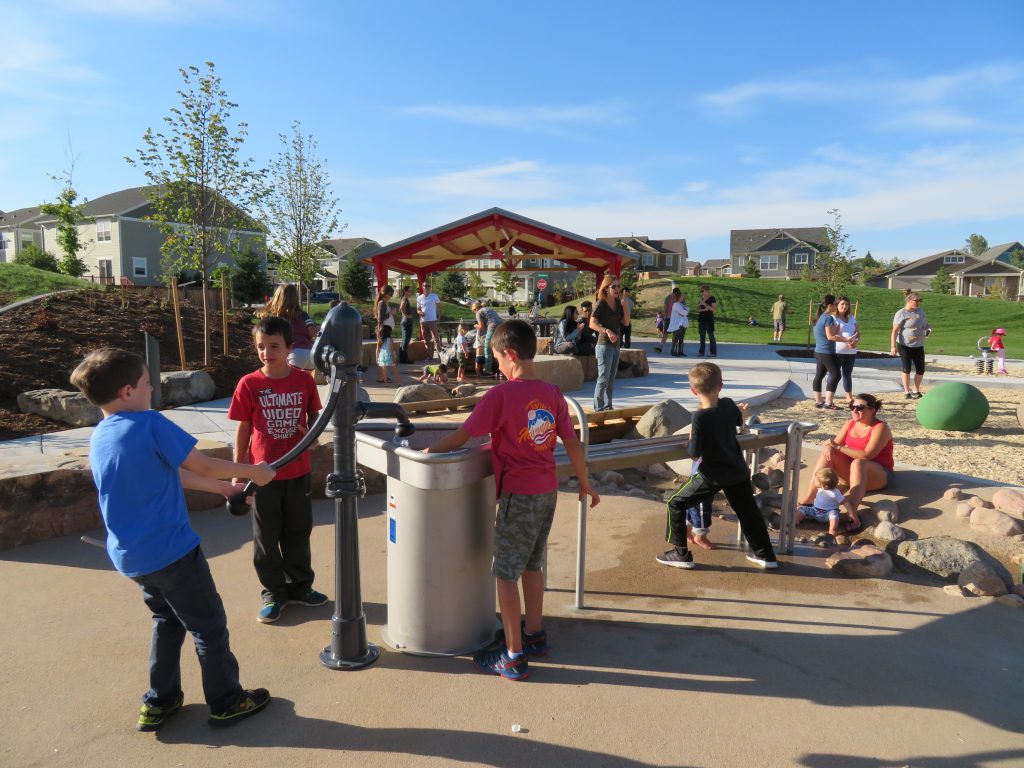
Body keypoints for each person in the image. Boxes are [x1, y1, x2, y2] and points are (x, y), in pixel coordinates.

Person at [70, 348, 276, 731]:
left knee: (167, 619)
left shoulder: (102, 435)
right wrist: (254, 471)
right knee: (208, 626)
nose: (152, 390)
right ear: (128, 391)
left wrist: (223, 491)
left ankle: (159, 701)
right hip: (173, 553)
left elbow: (172, 474)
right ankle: (227, 700)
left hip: (134, 559)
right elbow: (202, 463)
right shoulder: (149, 423)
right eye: (149, 383)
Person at [423, 320, 600, 680]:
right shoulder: (552, 394)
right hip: (547, 491)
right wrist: (585, 484)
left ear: (510, 355)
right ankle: (534, 634)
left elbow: (463, 436)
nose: (497, 368)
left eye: (497, 361)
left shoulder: (500, 396)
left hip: (519, 495)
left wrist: (427, 451)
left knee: (505, 574)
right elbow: (571, 444)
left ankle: (514, 655)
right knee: (533, 565)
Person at [229, 316, 326, 624]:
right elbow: (243, 429)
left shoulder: (304, 380)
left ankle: (300, 587)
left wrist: (310, 438)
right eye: (261, 347)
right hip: (262, 474)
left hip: (298, 471)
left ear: (289, 348)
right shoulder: (249, 383)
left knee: (298, 532)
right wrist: (238, 471)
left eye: (273, 346)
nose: (266, 352)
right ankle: (273, 592)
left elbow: (315, 422)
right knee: (266, 537)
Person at [658, 362, 778, 570]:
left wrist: (688, 440)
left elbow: (694, 452)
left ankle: (680, 553)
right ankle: (766, 555)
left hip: (712, 475)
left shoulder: (699, 417)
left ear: (693, 390)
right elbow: (737, 419)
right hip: (737, 471)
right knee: (748, 513)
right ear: (720, 386)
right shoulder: (728, 405)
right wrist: (743, 413)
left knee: (675, 503)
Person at [800, 393, 894, 526]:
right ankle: (809, 500)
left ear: (872, 410)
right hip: (854, 473)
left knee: (859, 462)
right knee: (829, 452)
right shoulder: (849, 424)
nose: (854, 410)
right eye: (852, 406)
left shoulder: (880, 427)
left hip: (880, 475)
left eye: (860, 407)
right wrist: (829, 446)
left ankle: (852, 513)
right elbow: (833, 446)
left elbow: (867, 455)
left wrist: (837, 446)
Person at [590, 274, 629, 412]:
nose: (617, 289)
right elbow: (592, 323)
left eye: (619, 286)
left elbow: (626, 322)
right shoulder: (601, 303)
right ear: (606, 288)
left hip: (616, 345)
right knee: (603, 378)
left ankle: (608, 406)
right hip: (604, 345)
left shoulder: (618, 303)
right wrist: (606, 330)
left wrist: (625, 307)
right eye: (614, 286)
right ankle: (598, 408)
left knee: (611, 378)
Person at [812, 294, 857, 410]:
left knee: (819, 375)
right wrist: (846, 339)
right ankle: (828, 402)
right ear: (831, 305)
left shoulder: (821, 316)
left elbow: (826, 333)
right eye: (836, 305)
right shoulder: (828, 318)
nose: (837, 307)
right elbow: (830, 337)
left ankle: (818, 401)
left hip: (818, 351)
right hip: (826, 352)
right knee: (836, 375)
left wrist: (836, 331)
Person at [260, 284, 315, 369]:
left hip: (294, 354)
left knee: (286, 381)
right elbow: (312, 332)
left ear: (278, 297)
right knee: (303, 381)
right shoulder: (304, 315)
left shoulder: (277, 317)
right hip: (310, 353)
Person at [890, 292, 931, 399]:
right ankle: (906, 391)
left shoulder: (920, 311)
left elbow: (924, 324)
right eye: (916, 301)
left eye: (919, 301)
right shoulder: (901, 313)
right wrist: (893, 346)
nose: (918, 303)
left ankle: (916, 390)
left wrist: (927, 327)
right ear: (908, 301)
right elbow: (894, 331)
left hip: (918, 344)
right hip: (904, 344)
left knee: (920, 369)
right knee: (906, 368)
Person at [795, 467, 847, 538]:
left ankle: (832, 530)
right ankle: (796, 520)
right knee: (803, 508)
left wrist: (852, 514)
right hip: (815, 511)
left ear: (823, 484)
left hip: (827, 514)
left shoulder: (835, 493)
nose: (814, 481)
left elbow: (845, 502)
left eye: (816, 480)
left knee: (834, 514)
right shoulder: (820, 489)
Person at [833, 296, 860, 404]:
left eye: (847, 304)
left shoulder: (852, 318)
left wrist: (856, 341)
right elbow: (832, 335)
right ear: (837, 305)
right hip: (837, 351)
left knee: (847, 374)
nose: (844, 306)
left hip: (851, 351)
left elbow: (857, 332)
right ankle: (830, 395)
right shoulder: (834, 318)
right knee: (834, 374)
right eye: (842, 304)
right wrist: (846, 341)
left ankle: (849, 396)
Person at [374, 286, 398, 385]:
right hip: (384, 331)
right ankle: (381, 376)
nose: (391, 296)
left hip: (385, 331)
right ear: (387, 294)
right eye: (391, 294)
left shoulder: (383, 303)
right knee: (383, 354)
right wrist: (391, 313)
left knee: (383, 353)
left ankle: (382, 376)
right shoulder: (381, 303)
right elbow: (380, 319)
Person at [474, 299, 503, 377]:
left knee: (487, 349)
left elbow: (481, 326)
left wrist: (475, 325)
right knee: (498, 348)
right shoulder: (488, 309)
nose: (474, 312)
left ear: (475, 309)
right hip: (501, 326)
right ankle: (501, 370)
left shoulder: (478, 312)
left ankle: (488, 370)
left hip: (492, 327)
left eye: (473, 311)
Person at [417, 283, 442, 359]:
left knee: (436, 339)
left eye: (428, 286)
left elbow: (440, 307)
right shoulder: (419, 298)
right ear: (422, 287)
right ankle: (429, 356)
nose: (427, 287)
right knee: (426, 340)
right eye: (425, 286)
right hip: (423, 321)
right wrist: (420, 312)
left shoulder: (434, 296)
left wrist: (439, 317)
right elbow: (418, 309)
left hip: (432, 320)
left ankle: (440, 356)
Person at [696, 284, 717, 358]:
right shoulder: (701, 298)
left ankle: (713, 352)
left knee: (711, 336)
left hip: (709, 320)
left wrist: (704, 304)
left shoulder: (712, 298)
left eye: (702, 290)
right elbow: (697, 310)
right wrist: (703, 309)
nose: (701, 292)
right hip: (701, 320)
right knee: (702, 336)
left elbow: (714, 310)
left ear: (707, 291)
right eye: (701, 291)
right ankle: (701, 352)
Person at [666, 288, 689, 357]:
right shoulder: (676, 304)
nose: (683, 298)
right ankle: (674, 350)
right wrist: (686, 311)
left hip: (682, 324)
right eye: (682, 296)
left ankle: (680, 351)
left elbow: (686, 310)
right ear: (679, 297)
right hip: (677, 324)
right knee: (676, 338)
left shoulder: (681, 304)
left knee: (681, 338)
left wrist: (686, 311)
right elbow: (684, 312)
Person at [398, 285, 416, 364]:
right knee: (406, 340)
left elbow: (400, 308)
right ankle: (404, 359)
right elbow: (401, 308)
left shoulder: (403, 298)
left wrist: (404, 315)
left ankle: (402, 358)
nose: (410, 292)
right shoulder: (404, 298)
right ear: (405, 291)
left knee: (404, 340)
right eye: (409, 290)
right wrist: (407, 315)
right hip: (407, 322)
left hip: (405, 321)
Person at [654, 288, 675, 353]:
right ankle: (663, 347)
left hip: (672, 318)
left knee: (668, 334)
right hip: (669, 318)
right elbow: (665, 308)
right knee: (667, 333)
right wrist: (665, 317)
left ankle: (669, 348)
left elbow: (665, 308)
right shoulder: (669, 298)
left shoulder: (678, 298)